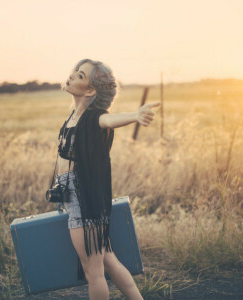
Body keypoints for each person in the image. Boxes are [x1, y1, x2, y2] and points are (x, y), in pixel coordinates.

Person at [51, 58, 160, 300]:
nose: (71, 76)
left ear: (90, 90)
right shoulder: (73, 117)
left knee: (95, 273)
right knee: (108, 260)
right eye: (74, 71)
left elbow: (108, 120)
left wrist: (135, 115)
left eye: (80, 76)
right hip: (77, 196)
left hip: (83, 199)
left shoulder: (93, 118)